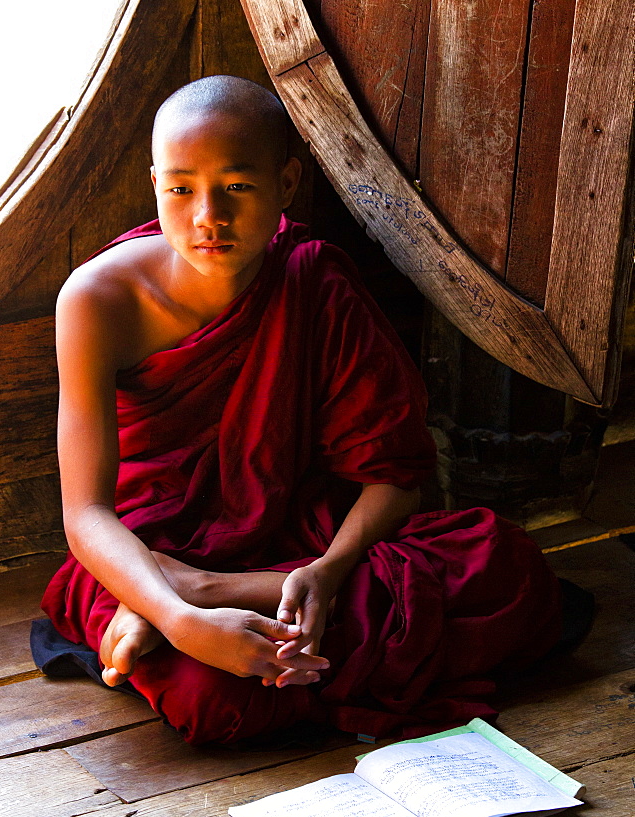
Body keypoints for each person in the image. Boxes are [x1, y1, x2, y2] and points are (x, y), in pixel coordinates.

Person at [39, 75, 563, 745]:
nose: (207, 217)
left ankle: (214, 590)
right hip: (147, 549)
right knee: (213, 700)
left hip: (298, 535)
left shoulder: (311, 279)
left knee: (508, 569)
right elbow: (86, 513)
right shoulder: (96, 300)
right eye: (180, 189)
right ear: (154, 186)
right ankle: (191, 591)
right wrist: (176, 616)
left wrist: (327, 571)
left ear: (285, 185)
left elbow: (396, 475)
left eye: (236, 187)